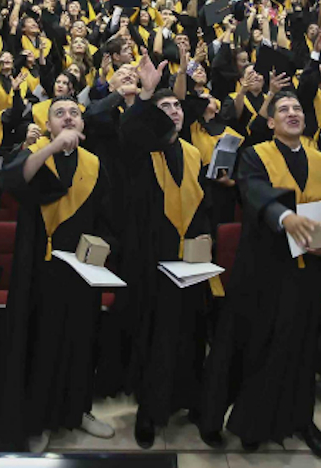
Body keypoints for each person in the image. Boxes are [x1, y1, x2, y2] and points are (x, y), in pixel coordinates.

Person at [199, 79, 321, 456]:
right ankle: (227, 421)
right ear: (271, 122)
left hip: (308, 270)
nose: (292, 113)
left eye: (297, 109)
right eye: (283, 110)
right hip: (261, 268)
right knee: (249, 345)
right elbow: (254, 190)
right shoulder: (255, 154)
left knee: (299, 349)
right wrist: (284, 217)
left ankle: (299, 420)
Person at [0, 96, 116, 452]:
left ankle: (77, 411)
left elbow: (108, 217)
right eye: (59, 114)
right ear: (48, 125)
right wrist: (49, 149)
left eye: (74, 113)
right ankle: (37, 418)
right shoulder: (34, 154)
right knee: (38, 343)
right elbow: (12, 180)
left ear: (83, 123)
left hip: (79, 270)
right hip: (37, 269)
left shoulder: (94, 164)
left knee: (80, 340)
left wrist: (102, 249)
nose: (68, 117)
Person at [118, 57, 214, 449]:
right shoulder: (142, 152)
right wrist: (145, 94)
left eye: (176, 106)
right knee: (154, 334)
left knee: (190, 332)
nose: (174, 111)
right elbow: (129, 132)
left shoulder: (192, 153)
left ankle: (186, 400)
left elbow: (202, 205)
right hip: (150, 258)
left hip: (189, 256)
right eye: (165, 107)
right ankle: (149, 411)